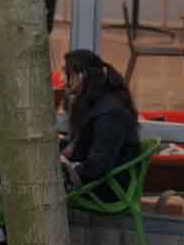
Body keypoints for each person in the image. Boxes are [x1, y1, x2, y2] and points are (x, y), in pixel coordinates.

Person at [60, 49, 140, 189]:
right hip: (96, 182)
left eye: (66, 72)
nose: (62, 79)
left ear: (81, 76)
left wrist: (65, 170)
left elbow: (96, 167)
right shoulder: (95, 103)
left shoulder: (110, 114)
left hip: (106, 190)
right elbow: (84, 145)